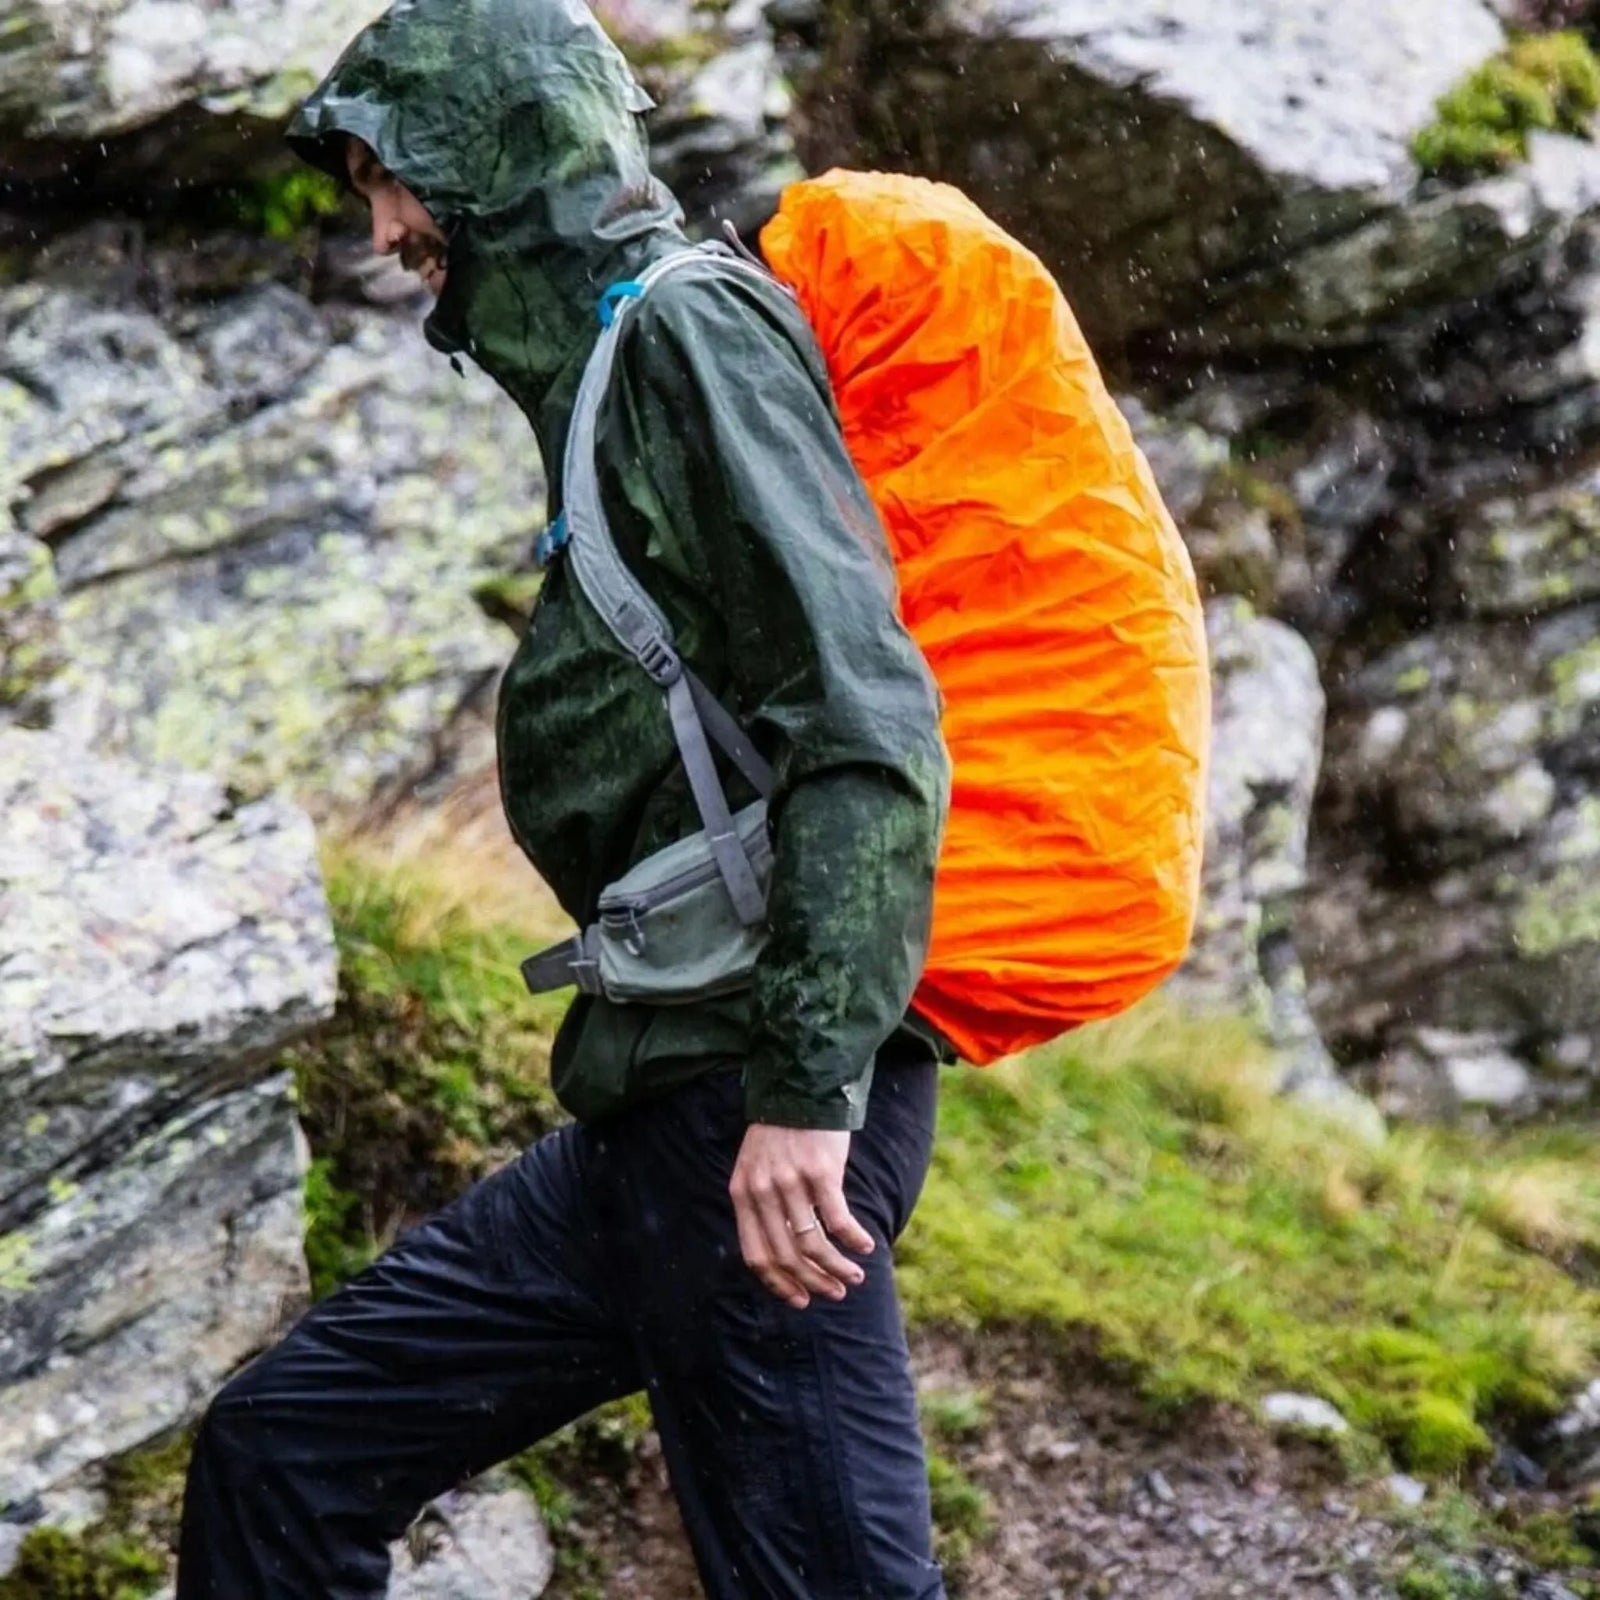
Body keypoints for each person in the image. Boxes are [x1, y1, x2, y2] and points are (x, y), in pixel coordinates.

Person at [174, 0, 953, 1594]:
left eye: (392, 175)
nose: (380, 224)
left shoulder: (685, 334)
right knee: (285, 1450)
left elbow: (866, 724)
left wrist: (807, 1098)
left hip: (756, 1115)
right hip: (656, 1117)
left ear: (495, 150)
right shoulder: (606, 362)